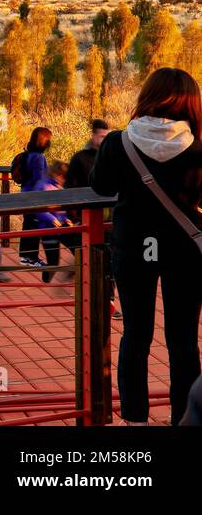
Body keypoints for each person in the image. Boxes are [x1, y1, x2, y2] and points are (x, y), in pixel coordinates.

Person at [91, 68, 202, 425]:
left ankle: (134, 419)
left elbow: (101, 187)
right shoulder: (198, 148)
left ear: (148, 97)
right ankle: (184, 417)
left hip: (134, 247)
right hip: (185, 251)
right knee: (183, 340)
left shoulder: (117, 142)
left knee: (136, 336)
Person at [12, 127, 56, 266]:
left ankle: (26, 257)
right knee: (35, 226)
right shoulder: (39, 157)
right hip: (36, 198)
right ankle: (31, 258)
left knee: (29, 225)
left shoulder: (28, 154)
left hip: (26, 194)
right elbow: (40, 179)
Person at [67, 119, 110, 189]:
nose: (105, 140)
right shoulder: (79, 158)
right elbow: (69, 185)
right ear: (93, 135)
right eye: (102, 136)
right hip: (83, 198)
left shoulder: (110, 158)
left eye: (106, 137)